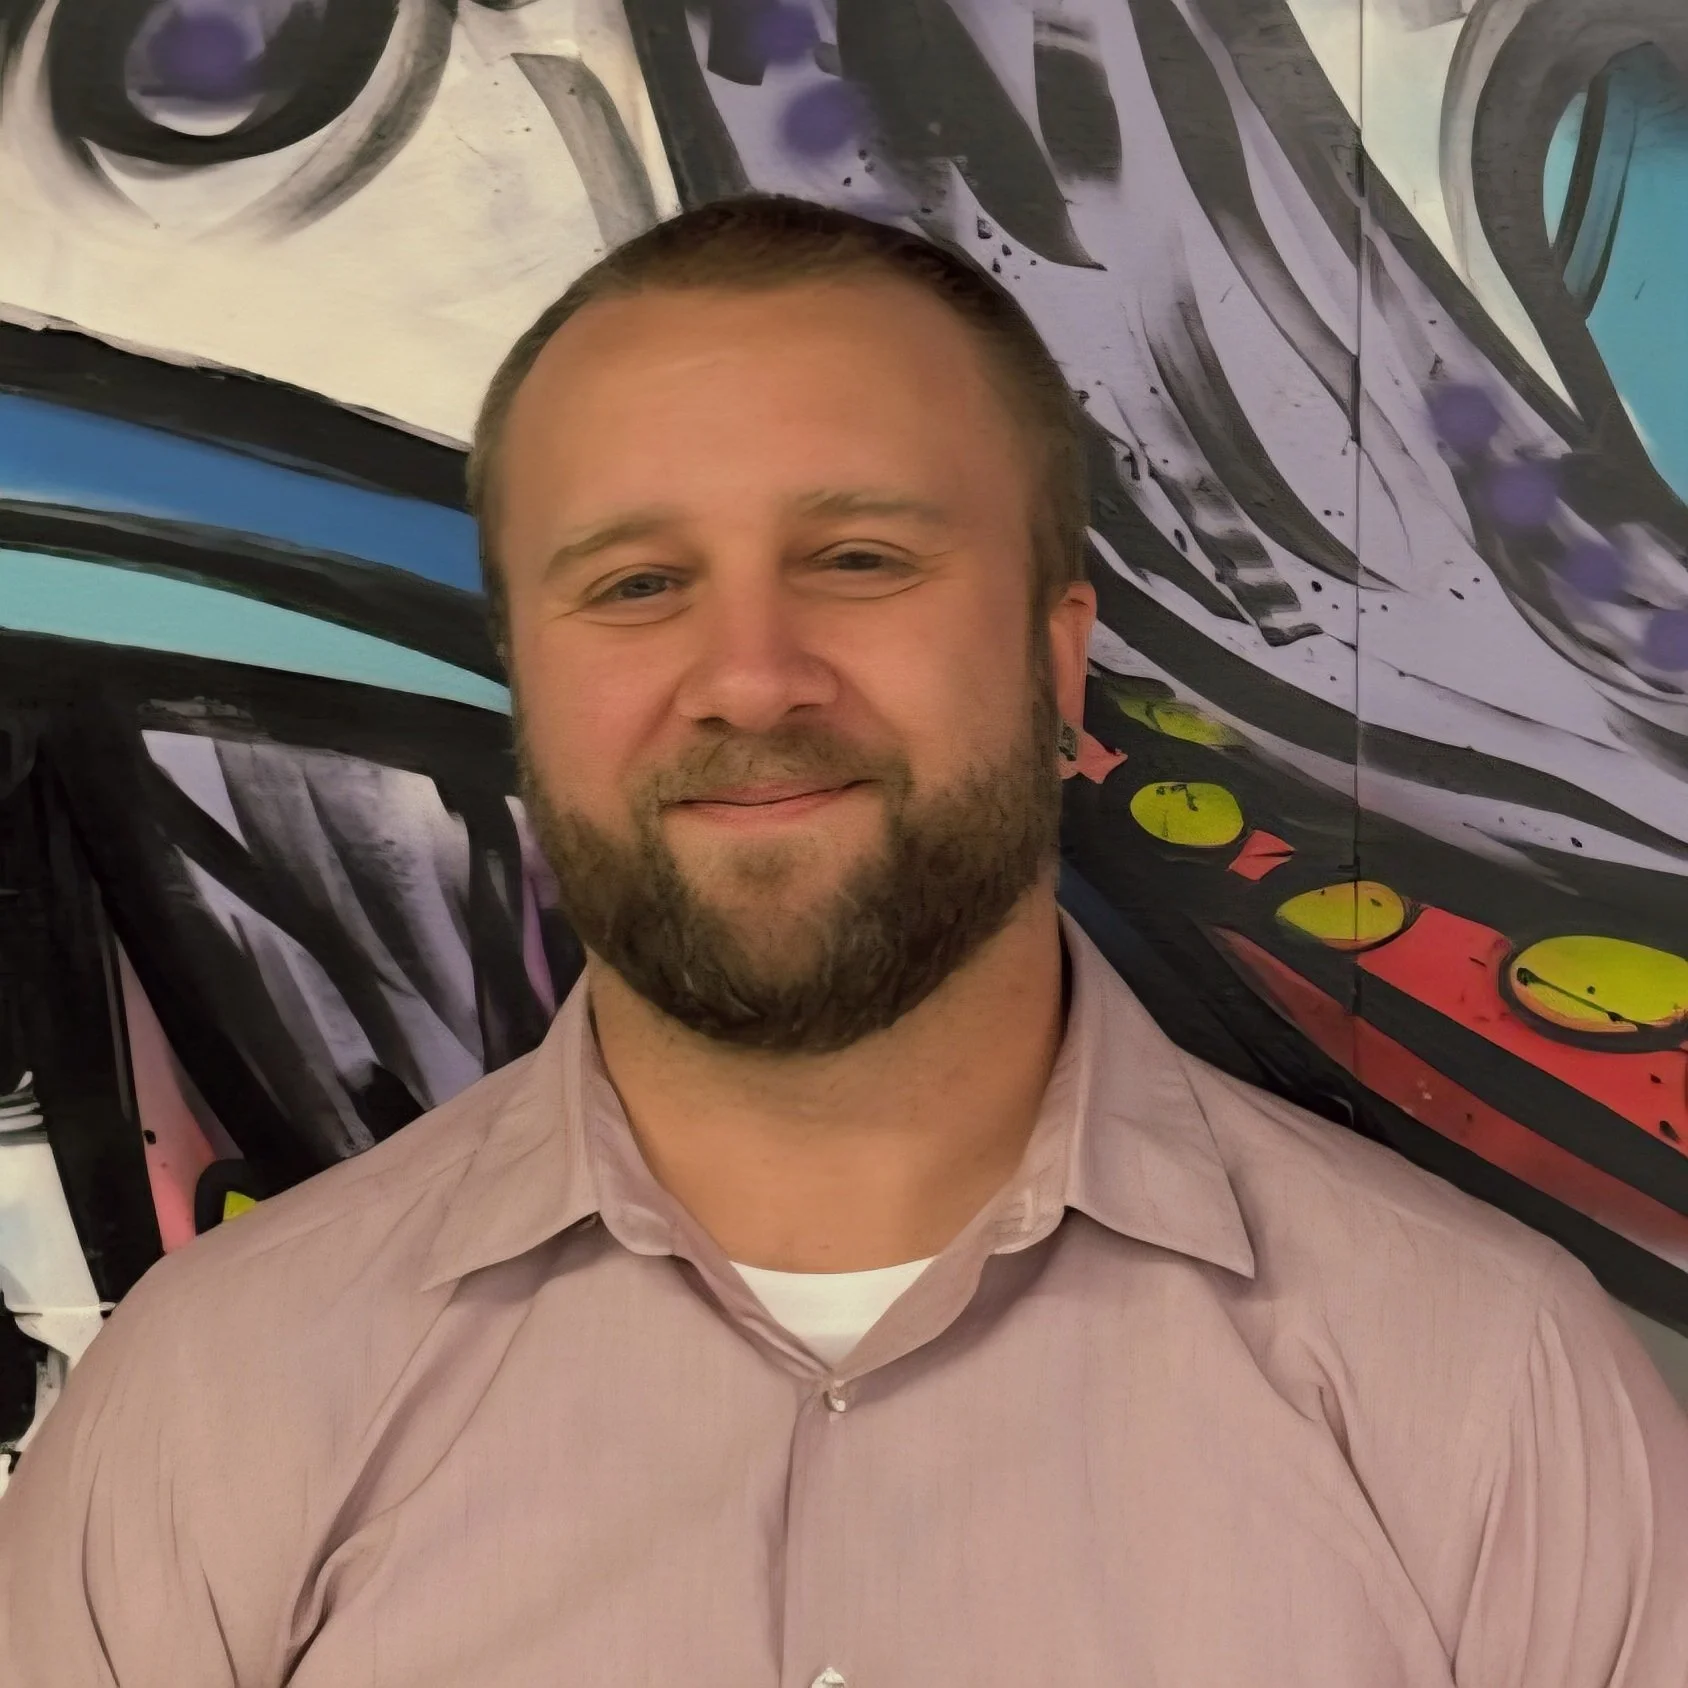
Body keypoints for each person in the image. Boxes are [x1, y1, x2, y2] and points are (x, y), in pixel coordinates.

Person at [1, 196, 1683, 1687]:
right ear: (527, 680)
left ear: (1056, 654)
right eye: (638, 585)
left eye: (860, 557)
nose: (751, 675)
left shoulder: (1490, 1400)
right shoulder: (214, 1411)